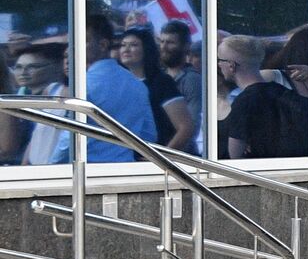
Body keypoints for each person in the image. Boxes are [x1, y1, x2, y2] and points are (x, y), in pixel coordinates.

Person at [52, 14, 157, 163]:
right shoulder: (137, 84)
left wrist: (50, 166)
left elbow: (68, 138)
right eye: (71, 42)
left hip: (87, 171)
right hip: (124, 169)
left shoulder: (83, 85)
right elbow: (148, 134)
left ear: (102, 45)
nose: (71, 48)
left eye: (81, 41)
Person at [224, 26, 308, 159]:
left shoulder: (244, 101)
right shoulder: (285, 93)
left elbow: (235, 158)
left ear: (231, 65)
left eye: (219, 61)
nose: (218, 65)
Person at [117, 27, 196, 152]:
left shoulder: (161, 82)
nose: (126, 49)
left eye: (133, 45)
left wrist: (161, 157)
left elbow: (185, 127)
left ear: (146, 49)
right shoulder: (117, 84)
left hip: (154, 162)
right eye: (123, 45)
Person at [157, 21, 204, 153]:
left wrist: (164, 155)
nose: (164, 47)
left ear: (186, 46)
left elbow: (192, 125)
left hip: (180, 156)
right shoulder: (159, 77)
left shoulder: (192, 80)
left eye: (170, 43)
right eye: (162, 41)